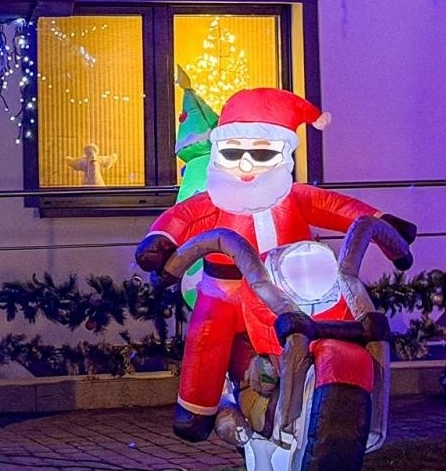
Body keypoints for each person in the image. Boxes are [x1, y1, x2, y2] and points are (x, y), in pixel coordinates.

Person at [134, 88, 416, 442]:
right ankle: (196, 407)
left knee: (332, 316)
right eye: (234, 153)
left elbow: (337, 207)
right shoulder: (215, 198)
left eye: (262, 153)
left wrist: (383, 225)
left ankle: (329, 390)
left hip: (291, 282)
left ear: (281, 153)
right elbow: (181, 217)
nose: (247, 165)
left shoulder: (293, 195)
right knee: (207, 330)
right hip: (228, 287)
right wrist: (161, 244)